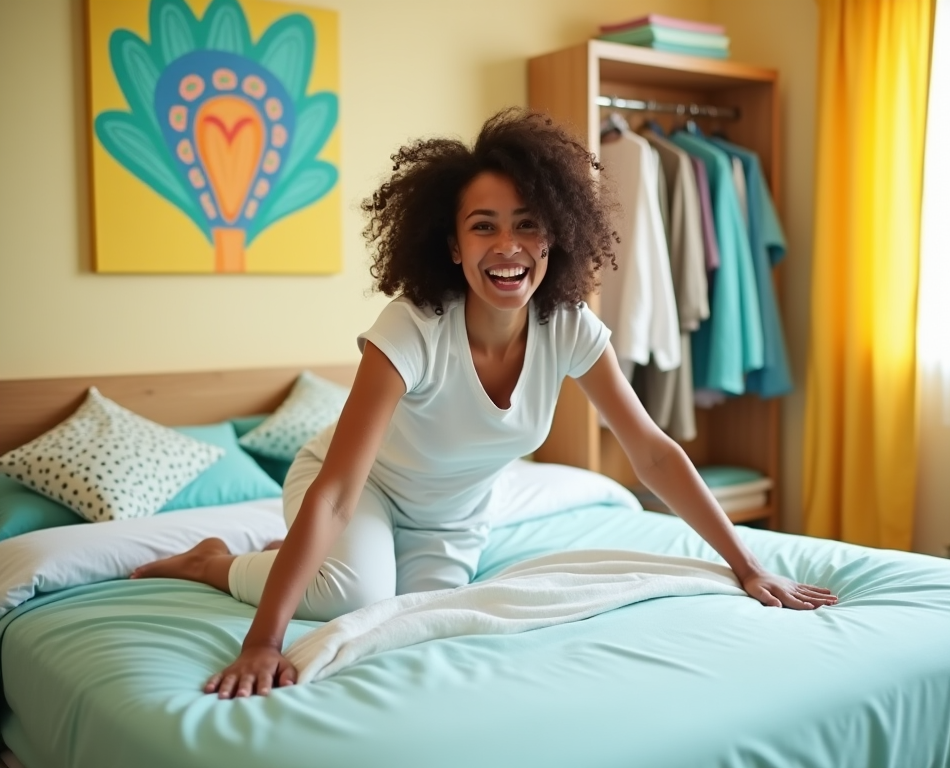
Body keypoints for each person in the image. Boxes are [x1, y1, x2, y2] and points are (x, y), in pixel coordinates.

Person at [133, 108, 837, 699]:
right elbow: (339, 492)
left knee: (417, 616)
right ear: (452, 245)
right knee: (354, 597)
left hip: (453, 517)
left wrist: (747, 566)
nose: (509, 247)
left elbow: (651, 450)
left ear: (555, 234)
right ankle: (211, 561)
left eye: (528, 224)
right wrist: (264, 643)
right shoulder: (411, 327)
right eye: (484, 226)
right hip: (358, 489)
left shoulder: (570, 329)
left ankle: (294, 561)